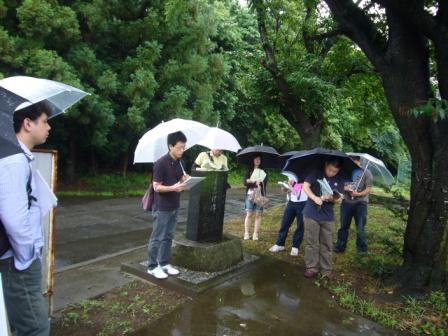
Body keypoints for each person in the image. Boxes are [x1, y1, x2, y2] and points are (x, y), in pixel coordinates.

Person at [0, 102, 52, 336]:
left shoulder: (20, 156)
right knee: (35, 327)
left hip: (18, 260)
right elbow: (14, 219)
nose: (49, 127)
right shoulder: (13, 161)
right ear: (28, 123)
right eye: (44, 121)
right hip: (18, 262)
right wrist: (28, 256)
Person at [147, 131, 189, 280]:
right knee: (157, 237)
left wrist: (186, 180)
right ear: (171, 146)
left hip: (174, 205)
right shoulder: (160, 163)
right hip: (162, 206)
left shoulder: (180, 163)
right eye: (179, 147)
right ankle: (152, 266)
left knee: (168, 236)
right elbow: (157, 187)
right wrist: (173, 187)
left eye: (184, 147)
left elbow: (179, 181)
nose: (182, 150)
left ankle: (164, 263)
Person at [302, 159, 345, 279]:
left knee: (327, 244)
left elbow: (339, 199)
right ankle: (311, 268)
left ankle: (326, 270)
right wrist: (315, 198)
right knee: (312, 243)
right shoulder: (316, 173)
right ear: (326, 164)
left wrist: (332, 198)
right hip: (311, 213)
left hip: (328, 216)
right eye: (330, 169)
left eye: (335, 171)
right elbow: (305, 186)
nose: (331, 172)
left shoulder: (340, 179)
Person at [334, 155, 373, 254]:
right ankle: (340, 246)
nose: (352, 165)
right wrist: (348, 189)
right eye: (351, 162)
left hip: (361, 203)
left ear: (359, 161)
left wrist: (358, 194)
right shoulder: (347, 171)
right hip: (347, 202)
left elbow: (368, 188)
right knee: (343, 226)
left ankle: (362, 249)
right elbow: (342, 184)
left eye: (354, 162)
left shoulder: (367, 173)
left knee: (360, 227)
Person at [269, 179, 308, 256]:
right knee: (285, 223)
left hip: (304, 202)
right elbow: (288, 189)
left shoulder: (307, 175)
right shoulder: (292, 175)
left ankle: (295, 247)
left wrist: (305, 185)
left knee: (300, 226)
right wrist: (285, 188)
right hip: (291, 202)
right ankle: (280, 244)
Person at [243, 155, 267, 241]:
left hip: (260, 195)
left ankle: (255, 234)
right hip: (250, 194)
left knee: (258, 214)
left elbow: (264, 183)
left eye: (259, 159)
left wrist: (251, 181)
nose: (257, 160)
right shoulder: (249, 170)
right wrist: (254, 183)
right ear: (253, 160)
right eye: (256, 159)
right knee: (249, 214)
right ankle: (246, 233)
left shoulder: (263, 171)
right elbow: (245, 182)